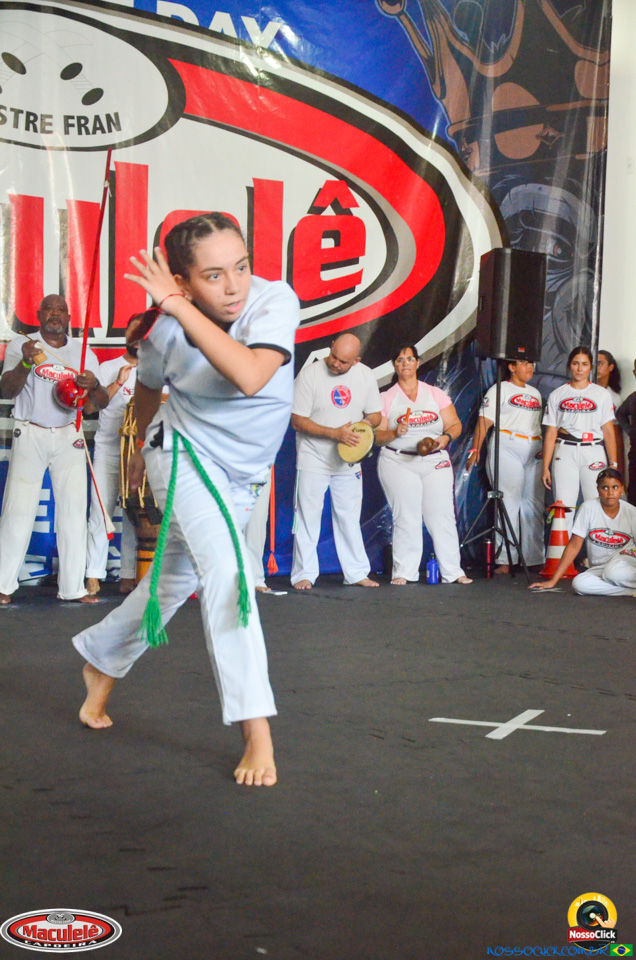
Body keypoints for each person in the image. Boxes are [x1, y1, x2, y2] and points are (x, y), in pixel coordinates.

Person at [71, 213, 300, 787]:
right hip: (184, 455)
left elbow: (252, 374)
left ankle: (101, 663)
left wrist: (177, 306)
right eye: (214, 275)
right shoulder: (163, 330)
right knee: (229, 573)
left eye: (241, 266)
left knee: (169, 584)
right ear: (182, 280)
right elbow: (148, 389)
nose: (234, 286)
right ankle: (256, 731)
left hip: (244, 472)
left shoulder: (274, 301)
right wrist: (138, 456)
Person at [0, 294, 108, 605]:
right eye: (48, 308)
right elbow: (6, 389)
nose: (54, 314)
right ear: (38, 315)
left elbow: (100, 402)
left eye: (61, 309)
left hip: (69, 433)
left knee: (73, 512)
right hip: (30, 431)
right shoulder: (23, 345)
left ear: (69, 318)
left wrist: (94, 385)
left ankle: (73, 588)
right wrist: (25, 362)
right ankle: (4, 585)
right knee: (18, 511)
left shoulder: (82, 351)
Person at [290, 334, 382, 590]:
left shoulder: (365, 376)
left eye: (343, 362)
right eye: (334, 356)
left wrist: (363, 425)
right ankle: (304, 574)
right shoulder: (309, 375)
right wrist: (335, 433)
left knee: (349, 518)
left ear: (356, 361)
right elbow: (297, 421)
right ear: (330, 347)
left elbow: (375, 415)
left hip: (348, 459)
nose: (335, 363)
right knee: (307, 517)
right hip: (313, 457)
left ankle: (356, 573)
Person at [374, 344, 472, 584]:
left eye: (409, 359)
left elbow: (455, 424)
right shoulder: (386, 397)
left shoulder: (434, 394)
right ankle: (404, 572)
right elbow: (377, 437)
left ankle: (453, 571)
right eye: (400, 360)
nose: (405, 363)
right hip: (398, 459)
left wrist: (445, 438)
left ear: (417, 363)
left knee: (442, 515)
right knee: (406, 515)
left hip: (434, 459)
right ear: (394, 366)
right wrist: (395, 432)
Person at [466, 359, 544, 573]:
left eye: (531, 364)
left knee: (533, 504)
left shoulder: (536, 393)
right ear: (511, 367)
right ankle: (505, 560)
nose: (530, 367)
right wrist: (475, 449)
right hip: (507, 443)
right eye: (524, 363)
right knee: (508, 501)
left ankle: (533, 558)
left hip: (534, 447)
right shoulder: (499, 389)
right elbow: (484, 421)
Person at [85, 316, 140, 597]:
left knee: (136, 515)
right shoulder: (108, 367)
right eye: (133, 330)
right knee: (100, 513)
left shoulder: (157, 370)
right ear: (126, 335)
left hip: (138, 454)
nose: (138, 337)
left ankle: (129, 575)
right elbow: (89, 408)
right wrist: (119, 382)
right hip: (108, 450)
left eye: (144, 332)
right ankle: (93, 574)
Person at [542, 346, 617, 533]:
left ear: (590, 367)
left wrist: (613, 464)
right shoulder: (557, 394)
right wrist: (545, 466)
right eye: (576, 363)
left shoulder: (602, 394)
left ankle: (595, 551)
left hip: (594, 450)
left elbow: (608, 431)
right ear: (569, 365)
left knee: (596, 505)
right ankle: (561, 552)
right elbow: (551, 432)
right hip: (565, 450)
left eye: (584, 364)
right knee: (563, 507)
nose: (580, 368)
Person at [530, 469, 636, 595]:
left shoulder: (631, 512)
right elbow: (574, 545)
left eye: (615, 487)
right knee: (579, 584)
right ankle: (629, 591)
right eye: (605, 488)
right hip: (599, 567)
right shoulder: (588, 508)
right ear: (598, 489)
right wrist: (553, 581)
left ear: (622, 488)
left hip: (625, 563)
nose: (610, 492)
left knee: (614, 573)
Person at [596, 349, 624, 478]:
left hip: (606, 448)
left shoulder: (615, 398)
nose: (596, 367)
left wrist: (618, 464)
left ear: (610, 367)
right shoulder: (583, 392)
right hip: (585, 444)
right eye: (593, 364)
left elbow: (616, 433)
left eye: (600, 363)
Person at [616, 359, 636, 506]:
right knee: (634, 496)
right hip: (635, 455)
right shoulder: (633, 398)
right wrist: (630, 431)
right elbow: (620, 414)